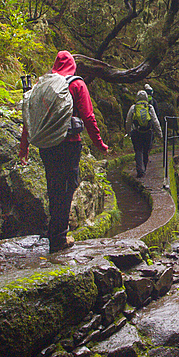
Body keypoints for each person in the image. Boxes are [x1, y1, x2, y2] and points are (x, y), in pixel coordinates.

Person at [19, 51, 108, 252]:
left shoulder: (44, 86)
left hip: (47, 145)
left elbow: (30, 118)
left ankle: (55, 231)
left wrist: (23, 148)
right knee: (68, 187)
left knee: (54, 186)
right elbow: (88, 117)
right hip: (69, 144)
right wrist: (99, 144)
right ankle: (58, 237)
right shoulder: (77, 84)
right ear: (72, 65)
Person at [126, 88, 163, 178]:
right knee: (146, 151)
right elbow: (155, 121)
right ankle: (144, 168)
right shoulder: (150, 107)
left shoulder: (133, 107)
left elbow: (128, 121)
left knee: (138, 150)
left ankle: (140, 170)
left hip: (136, 132)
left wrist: (128, 132)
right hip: (148, 132)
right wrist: (160, 134)